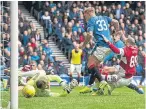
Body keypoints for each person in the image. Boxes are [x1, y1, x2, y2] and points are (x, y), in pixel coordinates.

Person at [79, 7, 119, 94]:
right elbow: (116, 22)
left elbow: (89, 35)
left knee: (90, 64)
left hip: (102, 45)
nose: (85, 18)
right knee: (94, 65)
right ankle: (90, 86)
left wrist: (83, 45)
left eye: (85, 15)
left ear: (89, 13)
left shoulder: (91, 21)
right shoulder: (104, 17)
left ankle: (102, 82)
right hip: (109, 45)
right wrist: (115, 34)